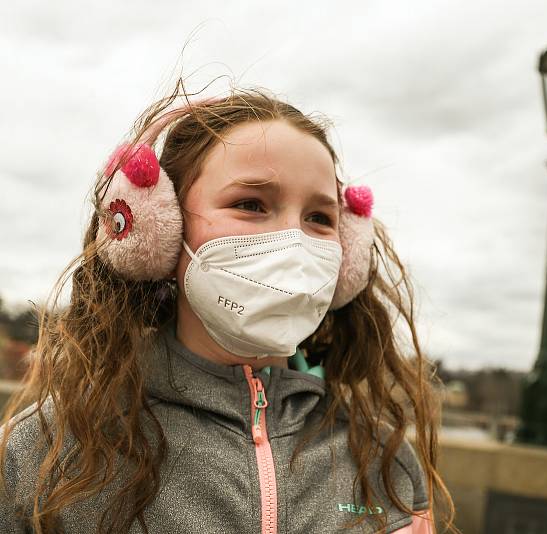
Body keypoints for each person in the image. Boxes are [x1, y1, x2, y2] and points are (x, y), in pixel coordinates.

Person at [0, 81, 455, 533]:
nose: (293, 241)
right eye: (251, 204)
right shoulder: (47, 452)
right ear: (158, 234)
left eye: (319, 217)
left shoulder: (383, 459)